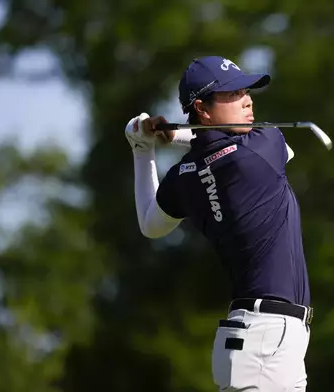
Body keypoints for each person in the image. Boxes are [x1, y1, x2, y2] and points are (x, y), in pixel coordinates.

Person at [124, 55, 312, 391]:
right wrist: (174, 136)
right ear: (203, 109)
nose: (247, 100)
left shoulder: (183, 175)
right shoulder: (261, 150)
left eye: (246, 91)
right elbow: (288, 150)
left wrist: (142, 148)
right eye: (233, 94)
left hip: (262, 341)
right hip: (263, 341)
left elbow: (151, 224)